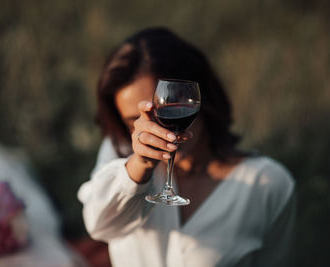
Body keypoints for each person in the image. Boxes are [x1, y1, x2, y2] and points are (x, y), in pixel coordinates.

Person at [78, 27, 295, 267]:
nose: (155, 125)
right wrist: (139, 167)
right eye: (134, 120)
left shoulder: (268, 184)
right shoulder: (120, 151)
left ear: (200, 96)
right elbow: (99, 226)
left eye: (166, 106)